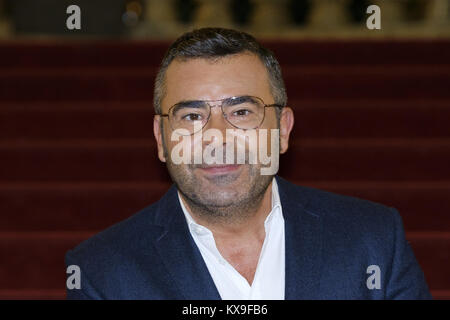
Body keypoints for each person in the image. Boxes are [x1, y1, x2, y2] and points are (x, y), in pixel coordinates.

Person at [65, 28, 431, 300]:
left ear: (283, 130)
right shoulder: (102, 272)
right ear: (162, 139)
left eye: (242, 112)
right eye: (192, 116)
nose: (218, 136)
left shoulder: (374, 240)